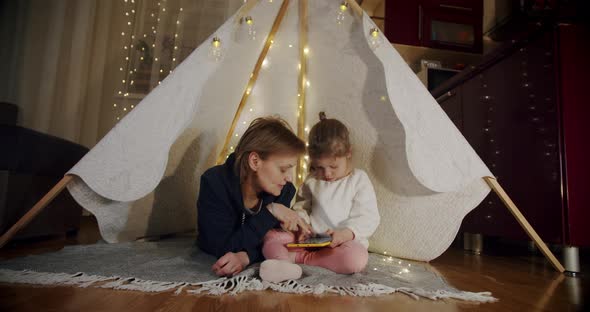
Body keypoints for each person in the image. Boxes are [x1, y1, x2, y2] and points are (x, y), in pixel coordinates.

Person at [259, 112, 380, 283]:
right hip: (310, 241)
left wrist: (344, 234)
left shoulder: (358, 180)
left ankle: (298, 261)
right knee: (271, 237)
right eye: (319, 167)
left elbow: (369, 217)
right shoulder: (312, 180)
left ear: (348, 153)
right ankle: (284, 265)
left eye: (333, 166)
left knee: (356, 258)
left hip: (341, 245)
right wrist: (301, 225)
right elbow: (302, 208)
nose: (327, 173)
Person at [197, 116, 312, 277]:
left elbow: (268, 241)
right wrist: (270, 211)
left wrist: (247, 257)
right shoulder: (214, 183)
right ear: (255, 161)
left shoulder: (284, 190)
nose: (289, 178)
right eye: (283, 169)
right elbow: (222, 246)